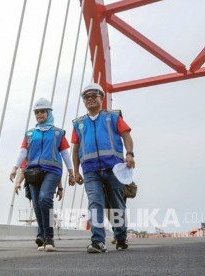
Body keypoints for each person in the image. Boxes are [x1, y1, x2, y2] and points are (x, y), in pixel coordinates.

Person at [70, 83, 135, 253]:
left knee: (116, 204)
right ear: (84, 102)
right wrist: (76, 172)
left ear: (101, 98)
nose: (90, 99)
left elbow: (126, 136)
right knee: (95, 203)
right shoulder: (78, 124)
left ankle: (121, 237)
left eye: (94, 95)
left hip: (113, 168)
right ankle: (98, 241)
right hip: (90, 171)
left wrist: (130, 154)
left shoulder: (113, 117)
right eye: (86, 97)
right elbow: (75, 149)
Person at [10, 98, 75, 252]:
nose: (39, 114)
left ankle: (49, 236)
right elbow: (23, 152)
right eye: (37, 112)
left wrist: (71, 173)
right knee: (38, 205)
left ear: (49, 113)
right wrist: (15, 167)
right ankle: (44, 237)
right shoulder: (30, 133)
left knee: (45, 198)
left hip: (52, 171)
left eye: (42, 111)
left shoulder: (58, 133)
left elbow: (65, 154)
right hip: (33, 172)